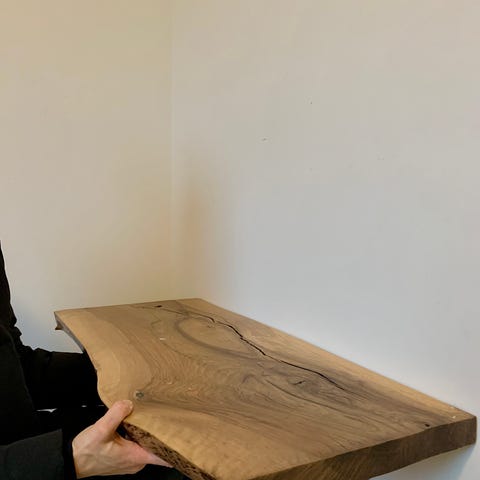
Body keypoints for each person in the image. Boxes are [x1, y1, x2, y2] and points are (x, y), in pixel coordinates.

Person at [0, 242, 185, 479]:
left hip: (26, 434)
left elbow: (16, 364)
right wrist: (73, 459)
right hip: (28, 464)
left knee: (173, 433)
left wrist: (118, 373)